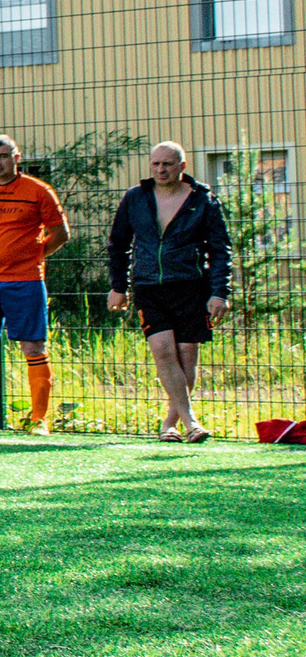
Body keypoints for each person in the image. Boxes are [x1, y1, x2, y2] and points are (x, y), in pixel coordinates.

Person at [106, 142, 231, 443]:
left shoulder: (203, 200)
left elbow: (220, 249)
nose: (161, 170)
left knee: (187, 355)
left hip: (191, 285)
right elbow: (118, 244)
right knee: (162, 350)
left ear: (182, 167)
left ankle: (169, 425)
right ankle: (191, 422)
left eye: (168, 164)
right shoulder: (135, 198)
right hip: (148, 286)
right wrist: (118, 287)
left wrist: (220, 292)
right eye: (156, 164)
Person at [0, 134, 71, 434]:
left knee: (33, 346)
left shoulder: (38, 191)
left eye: (3, 156)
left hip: (26, 281)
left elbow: (60, 234)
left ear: (17, 158)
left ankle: (39, 420)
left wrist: (34, 255)